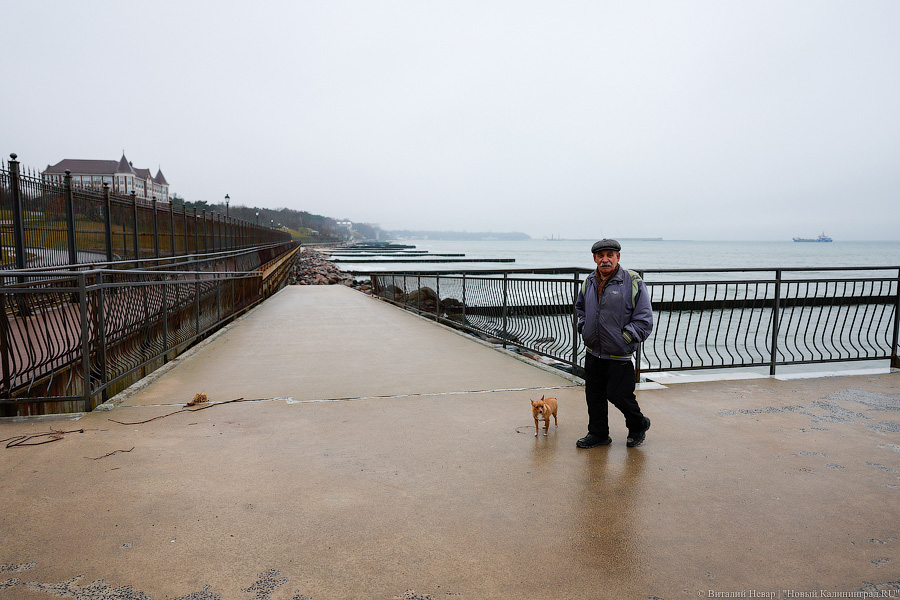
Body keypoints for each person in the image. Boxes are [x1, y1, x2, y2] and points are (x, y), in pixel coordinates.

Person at [574, 239, 653, 448]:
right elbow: (580, 308)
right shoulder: (589, 281)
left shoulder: (632, 281)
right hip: (593, 351)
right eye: (601, 256)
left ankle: (638, 425)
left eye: (610, 255)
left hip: (619, 352)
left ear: (618, 257)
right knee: (594, 395)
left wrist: (625, 338)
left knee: (620, 395)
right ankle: (598, 434)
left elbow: (644, 319)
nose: (605, 259)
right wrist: (583, 326)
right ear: (595, 259)